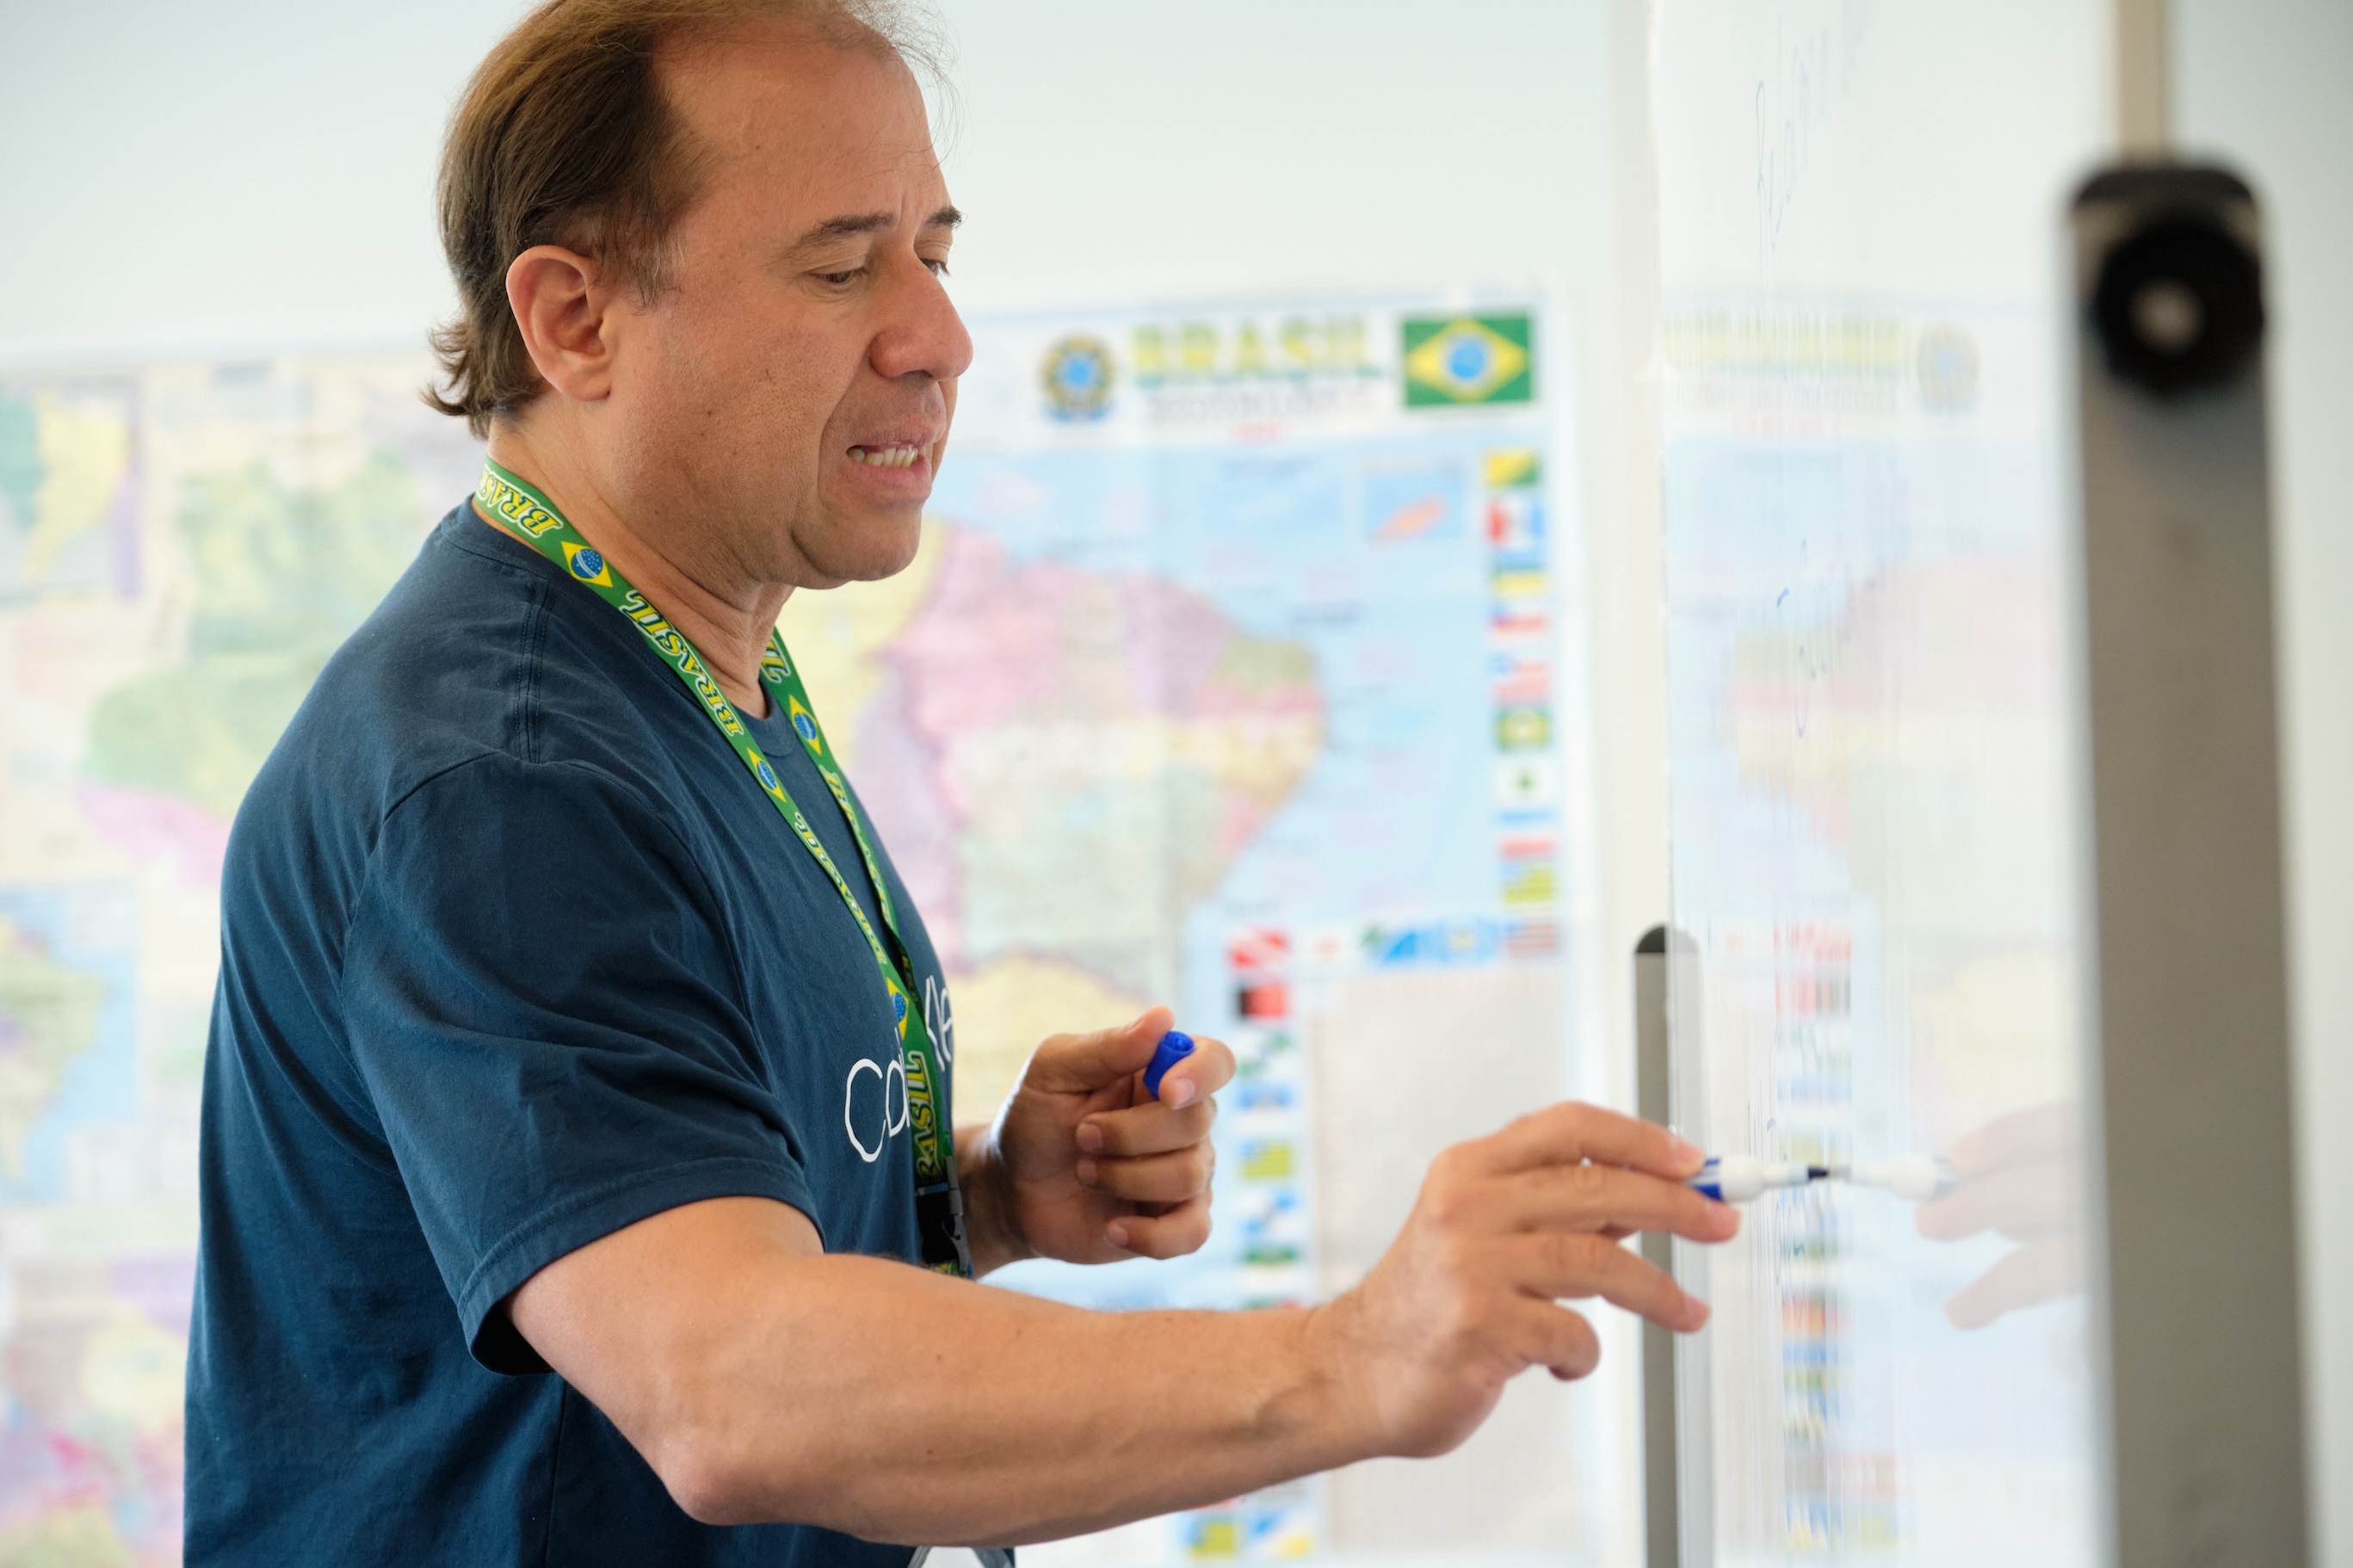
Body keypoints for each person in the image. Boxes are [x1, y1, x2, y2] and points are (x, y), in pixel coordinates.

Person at [182, 1, 1739, 1561]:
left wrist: (983, 1196)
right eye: (842, 264)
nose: (937, 335)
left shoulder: (700, 669)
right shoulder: (499, 776)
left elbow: (680, 1206)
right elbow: (727, 1387)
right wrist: (1357, 1351)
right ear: (575, 319)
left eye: (935, 249)